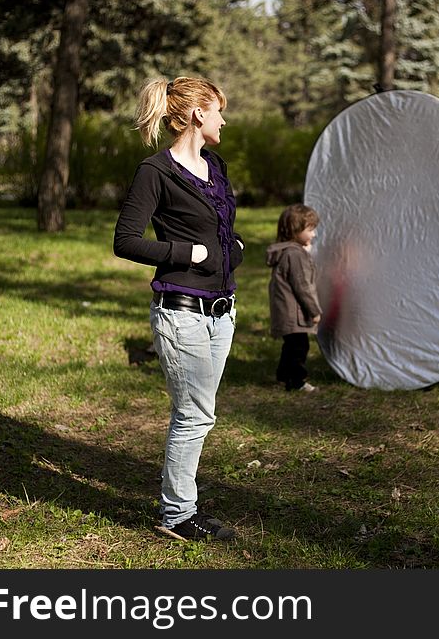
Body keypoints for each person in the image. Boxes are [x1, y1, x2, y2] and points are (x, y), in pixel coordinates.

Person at [113, 76, 244, 541]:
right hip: (180, 311)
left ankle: (180, 502)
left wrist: (235, 248)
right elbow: (125, 241)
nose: (223, 119)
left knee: (197, 412)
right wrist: (184, 254)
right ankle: (177, 515)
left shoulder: (217, 165)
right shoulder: (155, 172)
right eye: (218, 111)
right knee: (194, 414)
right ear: (196, 115)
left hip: (222, 313)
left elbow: (223, 224)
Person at [267, 204, 322, 392]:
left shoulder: (287, 251)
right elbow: (302, 286)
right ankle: (296, 382)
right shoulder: (294, 254)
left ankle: (283, 375)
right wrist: (314, 311)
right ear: (295, 230)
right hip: (294, 313)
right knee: (299, 347)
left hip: (285, 310)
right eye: (310, 229)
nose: (314, 234)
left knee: (290, 345)